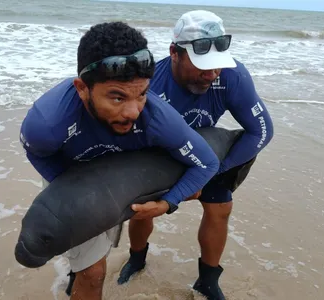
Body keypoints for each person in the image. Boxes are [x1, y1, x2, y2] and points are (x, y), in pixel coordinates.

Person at [19, 21, 221, 300]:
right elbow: (36, 151)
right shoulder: (47, 125)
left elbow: (207, 163)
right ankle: (81, 271)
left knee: (98, 254)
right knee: (92, 274)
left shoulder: (158, 118)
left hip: (121, 175)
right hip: (73, 170)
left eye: (141, 94)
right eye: (117, 97)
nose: (133, 111)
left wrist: (168, 202)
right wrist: (78, 195)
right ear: (81, 88)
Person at [117, 10, 274, 300]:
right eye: (202, 66)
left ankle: (208, 280)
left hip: (209, 156)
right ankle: (137, 258)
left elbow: (261, 132)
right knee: (142, 212)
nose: (212, 73)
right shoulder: (149, 86)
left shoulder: (232, 76)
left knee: (220, 209)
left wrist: (211, 173)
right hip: (158, 155)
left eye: (217, 66)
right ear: (174, 53)